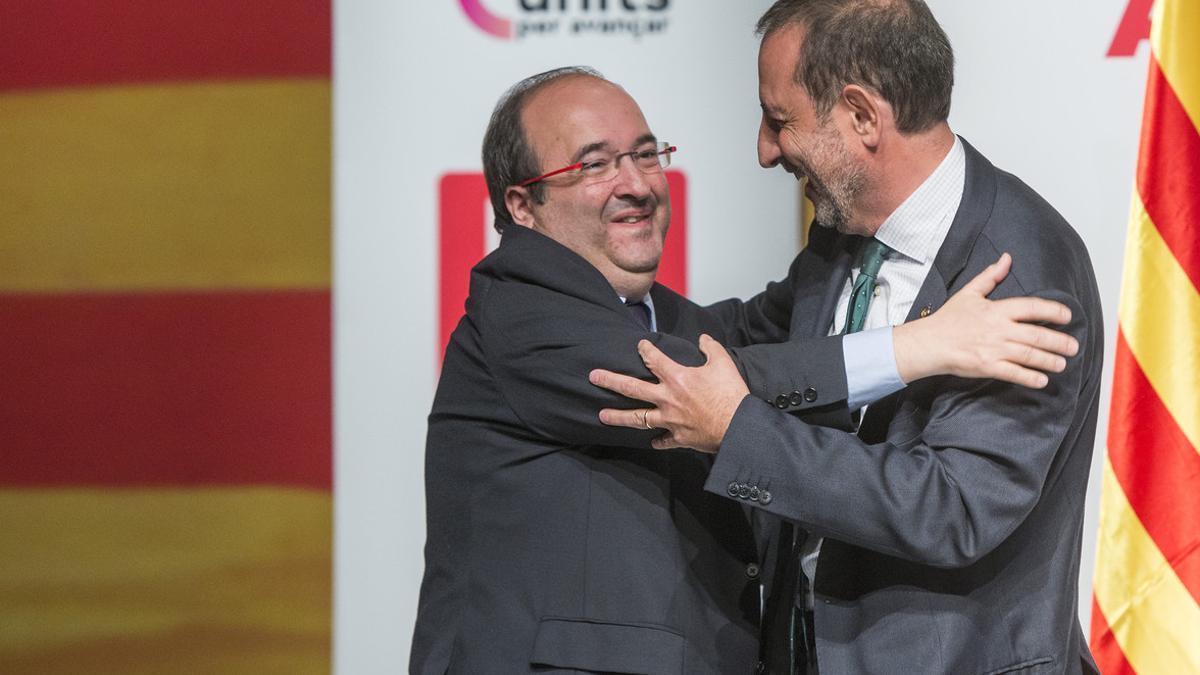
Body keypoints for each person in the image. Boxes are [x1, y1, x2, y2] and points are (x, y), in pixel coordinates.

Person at [412, 64, 1080, 674]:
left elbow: (764, 349)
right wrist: (922, 345)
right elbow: (703, 385)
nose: (637, 183)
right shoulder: (519, 310)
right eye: (594, 165)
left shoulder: (679, 323)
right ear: (522, 206)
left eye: (646, 154)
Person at [589, 1, 1104, 673]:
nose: (765, 149)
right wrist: (588, 300)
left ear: (862, 116)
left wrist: (737, 430)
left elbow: (949, 508)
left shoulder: (1020, 268)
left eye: (781, 121)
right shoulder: (842, 234)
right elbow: (748, 339)